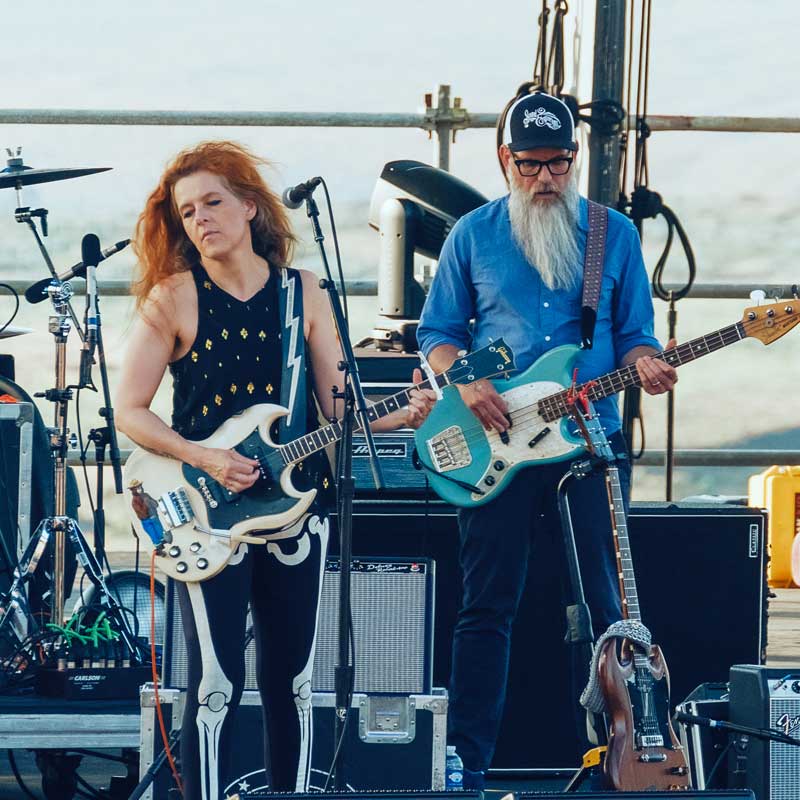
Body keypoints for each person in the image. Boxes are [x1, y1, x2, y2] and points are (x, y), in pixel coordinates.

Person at [115, 140, 435, 800]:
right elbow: (130, 411)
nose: (200, 218)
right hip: (206, 512)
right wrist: (205, 455)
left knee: (292, 680)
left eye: (213, 202)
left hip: (296, 510)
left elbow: (337, 407)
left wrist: (403, 413)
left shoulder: (305, 294)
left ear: (250, 207)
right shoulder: (173, 298)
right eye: (187, 210)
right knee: (216, 682)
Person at [416, 90, 678, 789]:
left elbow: (635, 335)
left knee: (605, 605)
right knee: (486, 604)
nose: (546, 178)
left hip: (589, 437)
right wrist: (468, 381)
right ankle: (465, 759)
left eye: (560, 163)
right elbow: (435, 334)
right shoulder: (472, 234)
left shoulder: (612, 235)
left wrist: (647, 362)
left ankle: (613, 759)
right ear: (505, 160)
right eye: (530, 164)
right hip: (497, 445)